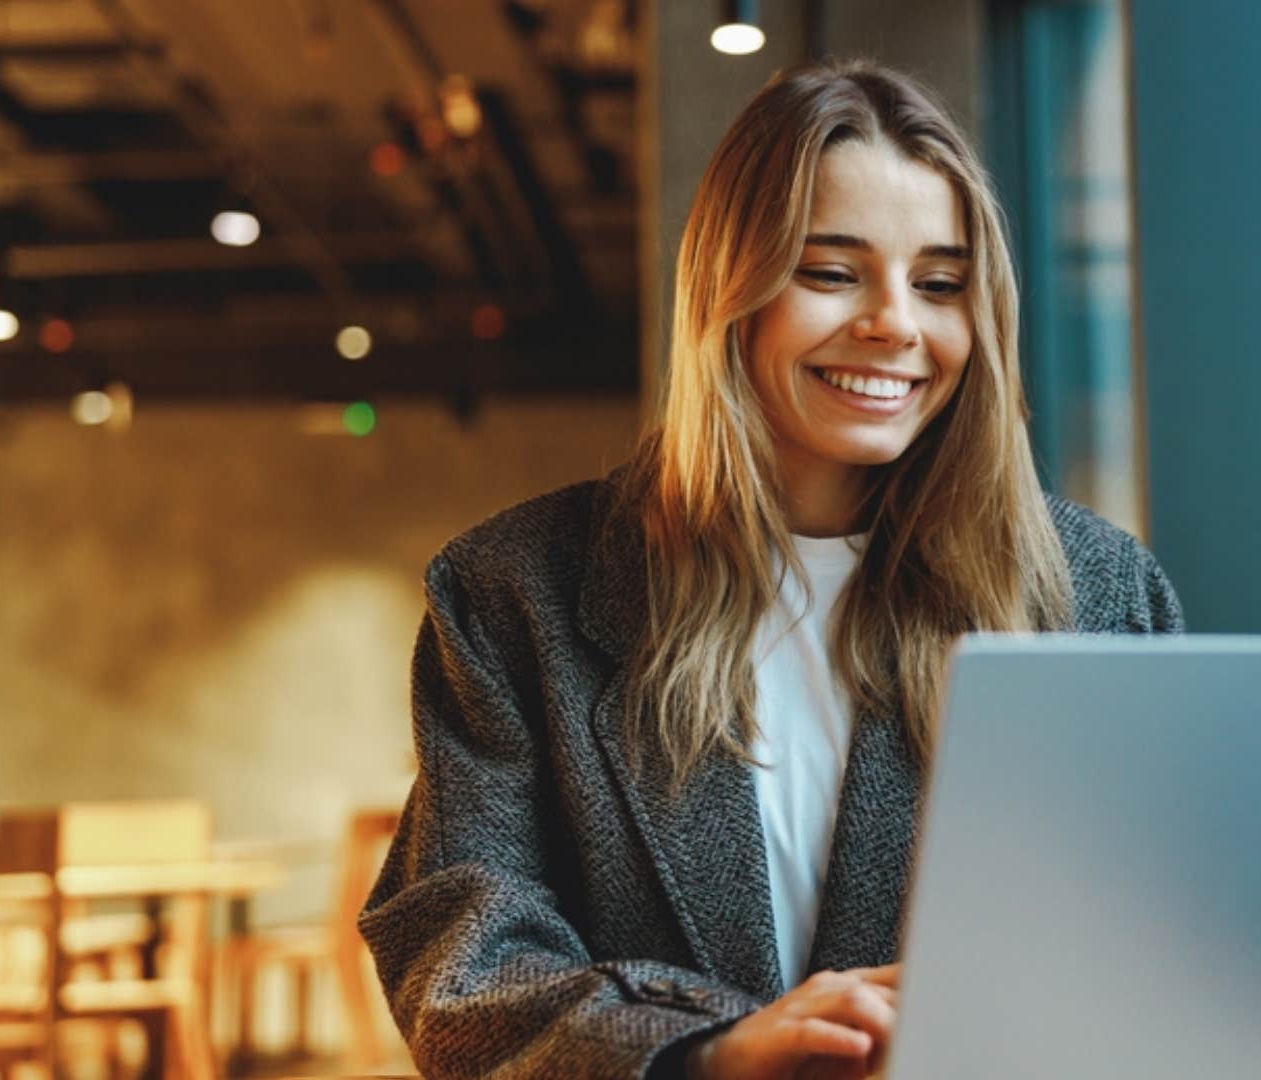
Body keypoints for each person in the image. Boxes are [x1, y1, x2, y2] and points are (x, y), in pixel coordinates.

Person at [359, 58, 1184, 1080]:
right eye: (832, 272)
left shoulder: (1098, 592)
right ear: (729, 294)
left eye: (939, 284)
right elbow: (461, 961)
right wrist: (705, 1052)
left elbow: (1164, 933)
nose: (896, 323)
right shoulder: (513, 593)